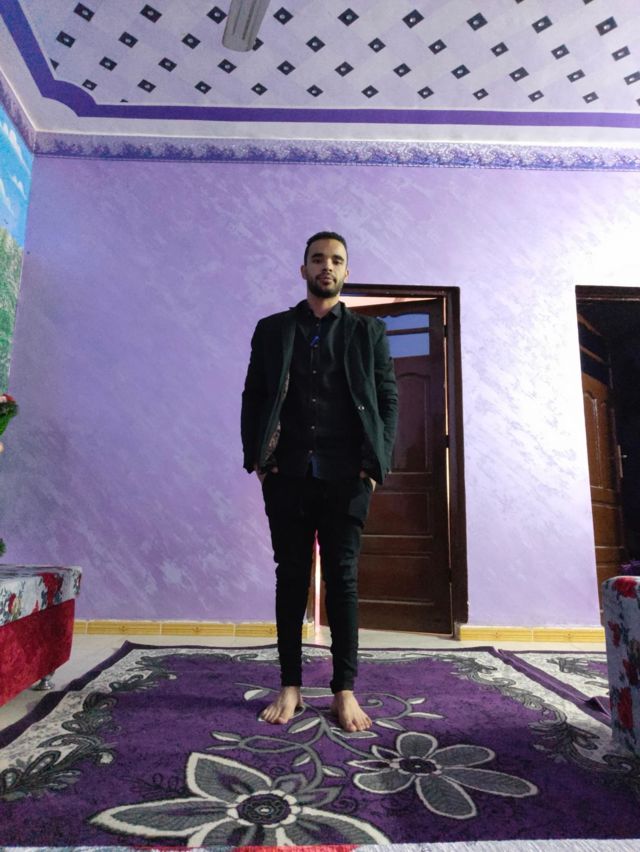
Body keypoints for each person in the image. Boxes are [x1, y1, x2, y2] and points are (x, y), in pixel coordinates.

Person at [241, 231, 398, 732]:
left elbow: (388, 399)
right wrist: (258, 461)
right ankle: (289, 684)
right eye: (317, 259)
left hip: (347, 476)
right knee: (290, 578)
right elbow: (254, 396)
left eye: (336, 260)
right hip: (287, 474)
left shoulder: (368, 333)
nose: (326, 266)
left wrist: (374, 466)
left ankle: (343, 690)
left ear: (346, 271)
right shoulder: (273, 329)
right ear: (303, 269)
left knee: (343, 580)